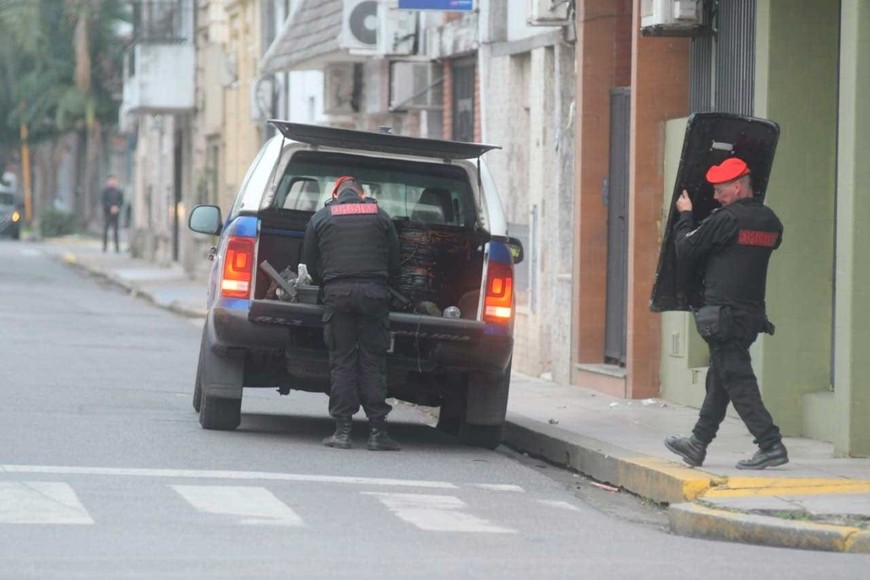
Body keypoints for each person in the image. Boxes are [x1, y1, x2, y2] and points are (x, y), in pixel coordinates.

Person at [664, 157, 788, 470]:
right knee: (720, 380)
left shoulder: (727, 219)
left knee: (738, 382)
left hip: (724, 317)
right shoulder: (770, 221)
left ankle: (770, 444)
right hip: (750, 316)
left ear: (738, 186)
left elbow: (686, 247)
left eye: (720, 190)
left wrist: (686, 215)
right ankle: (697, 444)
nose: (716, 197)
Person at [303, 176, 401, 451]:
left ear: (336, 195)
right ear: (362, 194)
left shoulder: (321, 217)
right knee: (372, 362)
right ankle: (377, 433)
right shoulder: (381, 216)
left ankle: (343, 432)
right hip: (374, 296)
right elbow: (395, 262)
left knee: (342, 361)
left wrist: (326, 283)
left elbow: (310, 263)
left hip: (338, 295)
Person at [101, 176, 124, 253]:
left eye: (113, 181)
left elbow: (121, 201)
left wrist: (117, 207)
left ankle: (117, 247)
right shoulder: (105, 191)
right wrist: (110, 207)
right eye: (110, 181)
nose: (112, 182)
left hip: (116, 214)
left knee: (116, 231)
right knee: (105, 230)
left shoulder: (118, 191)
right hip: (107, 213)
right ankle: (104, 247)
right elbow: (103, 201)